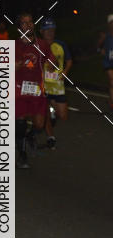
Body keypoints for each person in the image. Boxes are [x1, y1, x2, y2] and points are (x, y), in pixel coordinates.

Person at [14, 13, 53, 168]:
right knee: (21, 122)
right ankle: (22, 155)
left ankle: (30, 136)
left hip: (37, 89)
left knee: (39, 124)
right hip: (19, 90)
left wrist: (52, 67)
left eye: (30, 22)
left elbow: (50, 61)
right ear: (19, 27)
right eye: (24, 23)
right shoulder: (13, 46)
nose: (28, 25)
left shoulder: (42, 44)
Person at [39, 17, 72, 149]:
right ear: (42, 31)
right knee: (44, 112)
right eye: (47, 30)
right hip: (43, 85)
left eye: (52, 30)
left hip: (58, 85)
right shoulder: (37, 45)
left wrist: (66, 71)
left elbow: (69, 61)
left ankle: (53, 112)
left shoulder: (61, 45)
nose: (50, 32)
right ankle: (50, 137)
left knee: (63, 116)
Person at [97, 14, 113, 111]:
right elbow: (98, 45)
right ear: (109, 24)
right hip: (108, 62)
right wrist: (100, 50)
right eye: (111, 23)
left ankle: (111, 100)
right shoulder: (106, 36)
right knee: (112, 81)